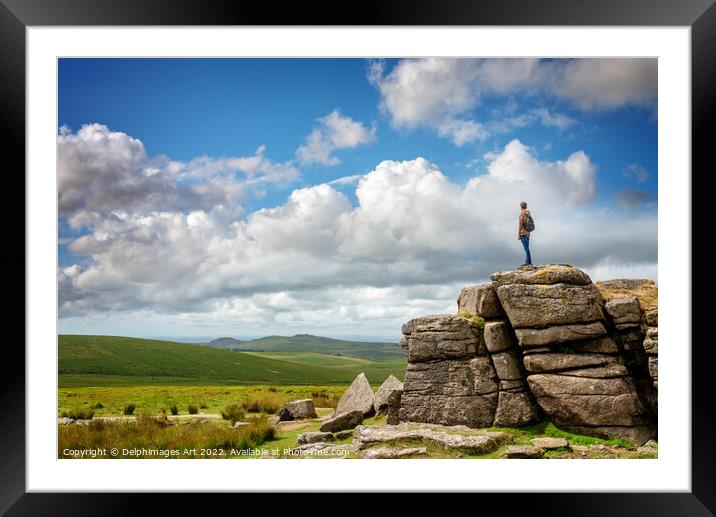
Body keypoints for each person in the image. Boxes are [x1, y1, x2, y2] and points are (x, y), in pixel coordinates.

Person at [517, 201, 532, 266]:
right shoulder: (528, 214)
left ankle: (528, 262)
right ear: (526, 206)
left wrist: (518, 234)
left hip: (523, 233)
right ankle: (528, 261)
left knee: (526, 248)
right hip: (528, 233)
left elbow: (520, 224)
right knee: (527, 248)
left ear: (520, 207)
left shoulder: (522, 214)